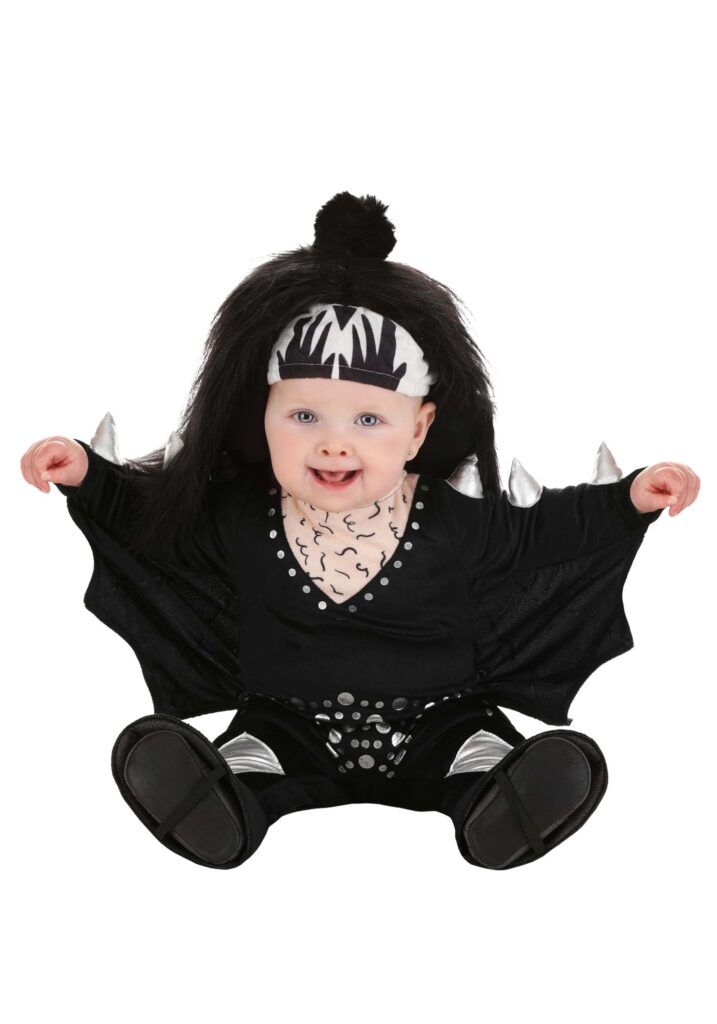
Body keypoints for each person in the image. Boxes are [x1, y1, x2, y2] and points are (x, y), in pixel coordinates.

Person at [20, 192, 700, 871]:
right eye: (304, 417)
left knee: (475, 755)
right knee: (252, 762)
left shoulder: (453, 517)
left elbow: (544, 534)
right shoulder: (238, 516)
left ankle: (499, 798)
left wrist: (627, 501)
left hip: (440, 721)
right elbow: (154, 529)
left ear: (419, 429)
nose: (333, 443)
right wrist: (88, 477)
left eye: (368, 420)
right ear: (263, 417)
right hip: (286, 724)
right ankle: (224, 802)